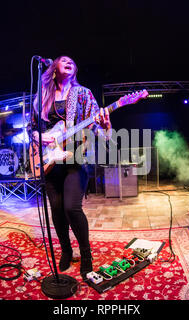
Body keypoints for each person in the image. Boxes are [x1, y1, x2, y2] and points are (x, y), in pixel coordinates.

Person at [32, 56, 111, 279]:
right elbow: (32, 128)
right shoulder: (43, 96)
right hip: (49, 161)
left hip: (76, 158)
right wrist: (39, 135)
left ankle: (86, 256)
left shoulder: (83, 93)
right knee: (56, 210)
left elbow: (97, 128)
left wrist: (106, 127)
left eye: (72, 62)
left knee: (71, 208)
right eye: (64, 60)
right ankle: (66, 251)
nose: (70, 62)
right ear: (54, 67)